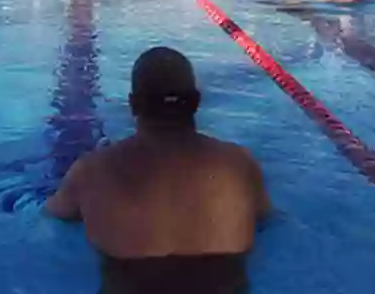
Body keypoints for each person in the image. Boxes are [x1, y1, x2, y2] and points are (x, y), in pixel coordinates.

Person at [46, 47, 271, 293]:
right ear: (196, 102)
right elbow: (266, 219)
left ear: (133, 105)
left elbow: (53, 216)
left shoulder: (91, 171)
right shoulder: (239, 165)